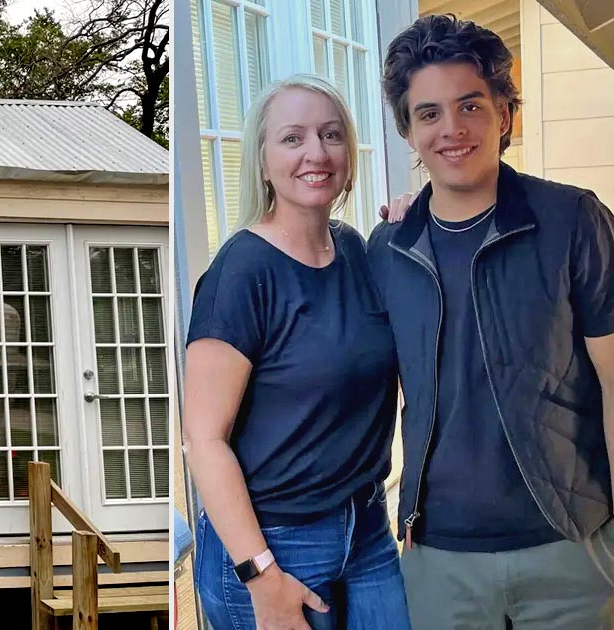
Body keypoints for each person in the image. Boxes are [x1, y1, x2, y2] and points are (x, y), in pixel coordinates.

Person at [368, 14, 614, 629]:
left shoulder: (574, 221)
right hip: (439, 560)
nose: (452, 129)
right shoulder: (387, 249)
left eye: (470, 105)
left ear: (504, 113)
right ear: (409, 131)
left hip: (573, 554)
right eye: (429, 113)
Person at [183, 73, 412, 630]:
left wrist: (421, 218)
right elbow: (203, 440)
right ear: (263, 162)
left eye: (332, 135)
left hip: (367, 527)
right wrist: (261, 574)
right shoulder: (241, 273)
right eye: (293, 138)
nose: (317, 152)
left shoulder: (357, 251)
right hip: (273, 544)